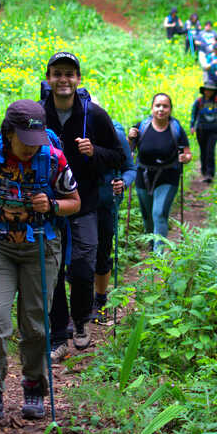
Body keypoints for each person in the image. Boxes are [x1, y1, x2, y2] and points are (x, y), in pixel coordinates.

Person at [0, 100, 81, 425]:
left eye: (36, 141)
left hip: (41, 245)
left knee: (36, 324)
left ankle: (34, 387)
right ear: (9, 133)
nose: (31, 149)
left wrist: (53, 205)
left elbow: (75, 202)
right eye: (25, 142)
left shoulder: (53, 159)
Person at [40, 52, 126, 362]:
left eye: (69, 74)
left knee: (82, 265)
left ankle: (80, 323)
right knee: (52, 269)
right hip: (47, 206)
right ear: (49, 78)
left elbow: (118, 157)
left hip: (85, 204)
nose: (63, 79)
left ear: (78, 79)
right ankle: (59, 333)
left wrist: (94, 152)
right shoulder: (36, 115)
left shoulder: (96, 116)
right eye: (57, 73)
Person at [128, 93, 192, 253]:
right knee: (147, 216)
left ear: (170, 109)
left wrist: (185, 157)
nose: (161, 109)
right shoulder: (142, 126)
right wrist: (130, 138)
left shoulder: (176, 128)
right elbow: (129, 150)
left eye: (165, 106)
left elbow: (187, 153)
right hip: (143, 175)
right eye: (158, 105)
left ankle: (159, 256)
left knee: (159, 213)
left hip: (168, 176)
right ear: (152, 108)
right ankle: (152, 243)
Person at [91, 118, 136, 323]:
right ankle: (79, 306)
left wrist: (123, 183)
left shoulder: (114, 135)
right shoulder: (70, 133)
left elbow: (130, 168)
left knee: (102, 252)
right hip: (76, 204)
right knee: (76, 258)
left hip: (105, 204)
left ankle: (100, 300)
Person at [190, 81, 217, 184]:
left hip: (213, 129)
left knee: (210, 151)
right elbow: (193, 114)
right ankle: (204, 172)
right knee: (203, 150)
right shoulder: (199, 101)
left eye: (211, 90)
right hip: (201, 129)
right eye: (207, 90)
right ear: (204, 91)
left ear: (214, 92)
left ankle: (210, 174)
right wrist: (192, 126)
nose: (209, 92)